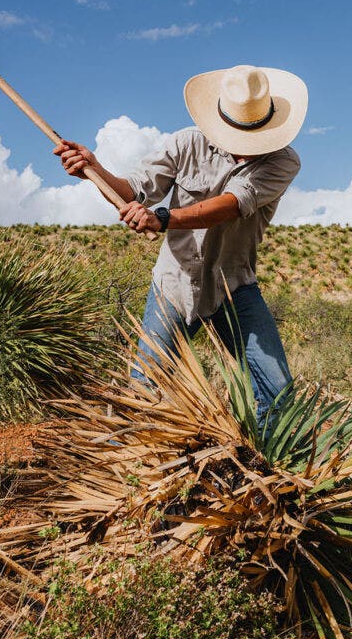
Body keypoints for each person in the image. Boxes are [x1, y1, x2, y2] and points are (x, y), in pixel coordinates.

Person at [54, 64, 306, 420]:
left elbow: (230, 205)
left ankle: (276, 463)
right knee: (145, 389)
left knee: (276, 391)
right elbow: (134, 191)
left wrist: (162, 219)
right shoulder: (186, 143)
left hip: (234, 286)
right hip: (173, 283)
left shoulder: (283, 161)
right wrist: (94, 171)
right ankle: (132, 465)